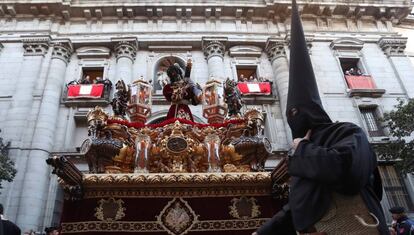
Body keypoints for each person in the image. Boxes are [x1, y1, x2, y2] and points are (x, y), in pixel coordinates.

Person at [254, 0, 388, 234]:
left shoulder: (348, 132)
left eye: (298, 112)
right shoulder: (301, 152)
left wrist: (302, 149)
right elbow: (297, 207)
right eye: (290, 115)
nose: (294, 119)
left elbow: (347, 171)